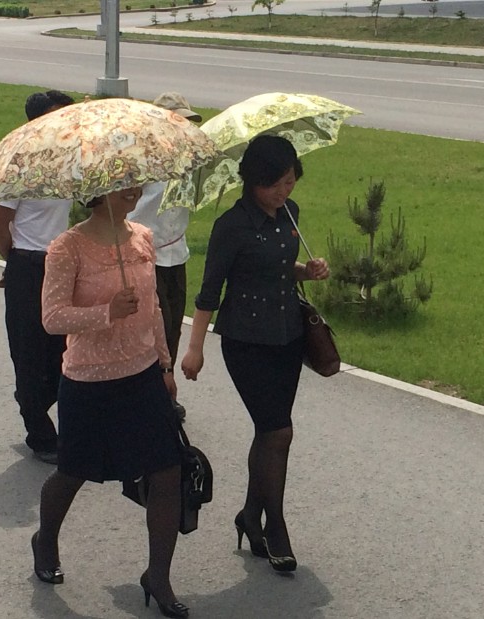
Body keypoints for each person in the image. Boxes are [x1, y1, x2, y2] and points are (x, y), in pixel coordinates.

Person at [32, 187, 189, 619]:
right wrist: (107, 311)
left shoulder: (142, 237)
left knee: (168, 471)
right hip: (88, 380)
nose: (135, 189)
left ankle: (158, 575)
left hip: (142, 376)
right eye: (124, 183)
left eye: (136, 180)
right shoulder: (67, 247)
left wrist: (164, 364)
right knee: (73, 473)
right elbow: (52, 318)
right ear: (99, 193)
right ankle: (45, 540)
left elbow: (154, 307)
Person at [180, 135, 330, 574]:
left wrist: (309, 270)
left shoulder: (291, 216)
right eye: (277, 184)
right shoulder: (232, 226)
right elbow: (209, 292)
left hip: (287, 336)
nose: (285, 191)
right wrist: (194, 350)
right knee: (279, 431)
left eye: (290, 182)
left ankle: (249, 516)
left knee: (270, 433)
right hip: (246, 341)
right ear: (254, 182)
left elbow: (283, 268)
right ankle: (275, 524)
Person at [0, 89, 75, 465]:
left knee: (65, 350)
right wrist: (15, 264)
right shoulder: (18, 166)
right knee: (28, 350)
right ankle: (39, 432)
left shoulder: (69, 162)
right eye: (59, 117)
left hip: (63, 264)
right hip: (27, 264)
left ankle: (34, 399)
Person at [127, 92, 203, 423]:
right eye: (177, 120)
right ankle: (150, 395)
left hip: (177, 253)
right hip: (146, 255)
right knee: (157, 326)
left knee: (173, 328)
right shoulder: (140, 161)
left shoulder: (188, 160)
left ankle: (164, 392)